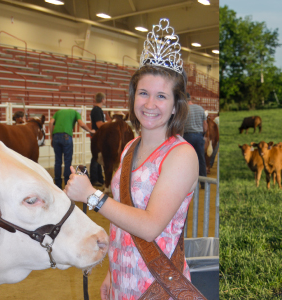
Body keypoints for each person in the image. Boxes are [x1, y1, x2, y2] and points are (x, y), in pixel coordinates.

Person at [64, 18, 200, 299]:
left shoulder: (181, 155)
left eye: (161, 96)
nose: (150, 104)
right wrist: (111, 272)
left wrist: (92, 196)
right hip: (122, 282)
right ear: (133, 97)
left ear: (176, 105)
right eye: (143, 93)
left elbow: (150, 227)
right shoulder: (129, 148)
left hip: (157, 286)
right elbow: (121, 223)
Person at [50, 108, 93, 188]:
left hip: (56, 136)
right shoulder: (75, 113)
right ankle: (67, 184)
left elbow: (51, 122)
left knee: (58, 161)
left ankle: (57, 185)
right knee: (67, 162)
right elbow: (81, 124)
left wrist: (51, 137)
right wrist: (90, 131)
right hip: (66, 137)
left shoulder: (58, 112)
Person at [184, 102, 208, 176]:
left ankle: (188, 182)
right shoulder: (200, 108)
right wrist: (203, 134)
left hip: (187, 136)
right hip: (199, 135)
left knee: (187, 160)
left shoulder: (184, 109)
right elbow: (205, 124)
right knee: (201, 159)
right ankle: (204, 182)